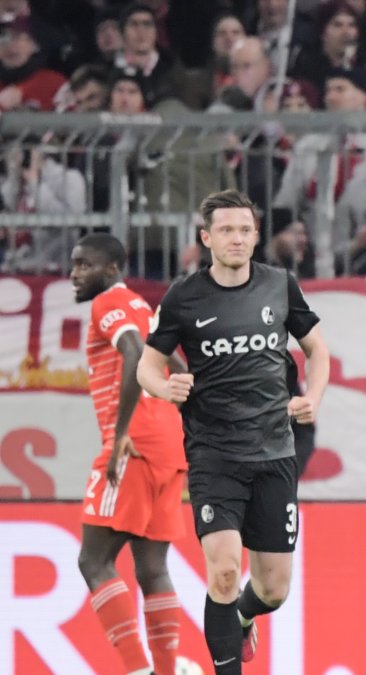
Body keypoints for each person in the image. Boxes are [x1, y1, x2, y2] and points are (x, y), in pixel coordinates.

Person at [138, 189, 330, 675]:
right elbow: (146, 367)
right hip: (214, 455)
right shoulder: (184, 296)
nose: (237, 239)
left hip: (274, 453)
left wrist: (313, 397)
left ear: (256, 235)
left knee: (273, 589)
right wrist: (165, 387)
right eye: (226, 230)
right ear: (206, 238)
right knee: (223, 572)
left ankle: (243, 617)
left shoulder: (279, 285)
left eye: (245, 230)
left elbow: (318, 349)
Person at [71, 234, 187, 675]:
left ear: (112, 268)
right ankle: (166, 670)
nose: (75, 274)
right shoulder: (142, 306)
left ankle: (138, 670)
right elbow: (176, 365)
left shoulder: (109, 303)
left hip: (133, 443)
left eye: (84, 265)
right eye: (74, 265)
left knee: (94, 560)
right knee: (152, 568)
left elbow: (135, 352)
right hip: (167, 444)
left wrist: (120, 434)